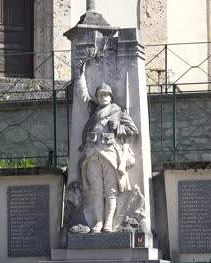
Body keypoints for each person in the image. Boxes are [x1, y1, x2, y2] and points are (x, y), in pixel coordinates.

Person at [75, 61, 138, 233]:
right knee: (96, 191)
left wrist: (117, 128)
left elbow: (133, 130)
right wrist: (80, 75)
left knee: (110, 191)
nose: (102, 97)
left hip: (110, 154)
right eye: (100, 95)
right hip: (92, 154)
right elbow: (82, 96)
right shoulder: (93, 110)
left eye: (105, 95)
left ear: (110, 97)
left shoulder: (119, 112)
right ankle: (98, 222)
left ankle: (109, 223)